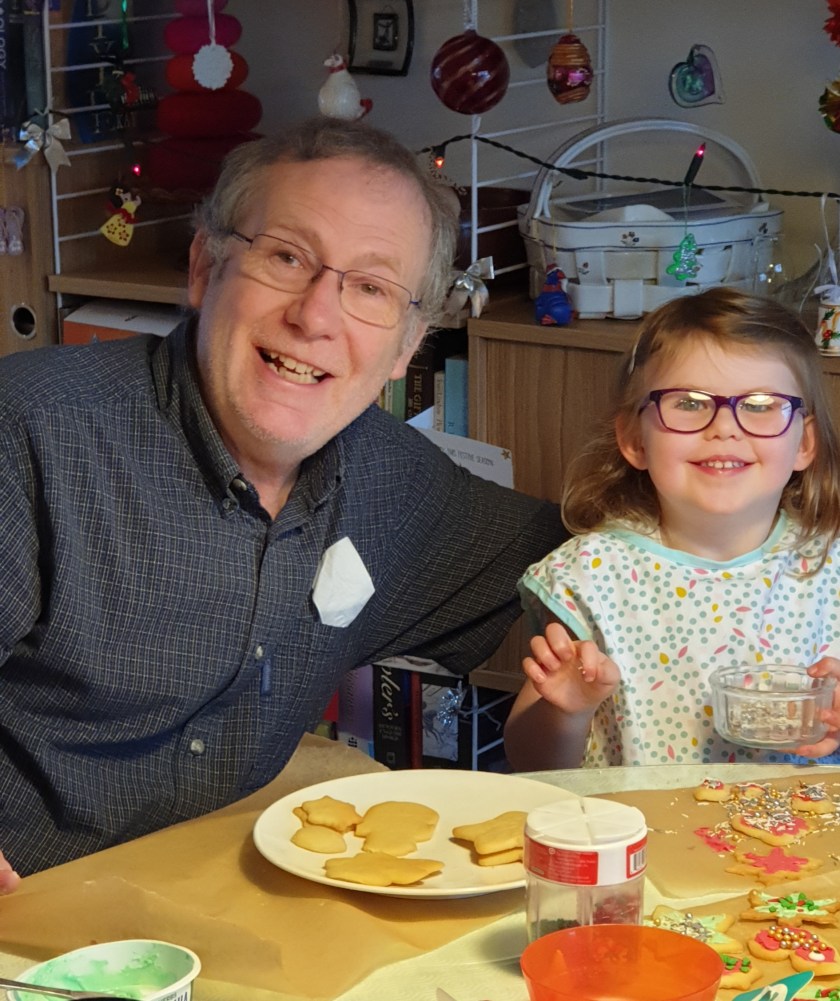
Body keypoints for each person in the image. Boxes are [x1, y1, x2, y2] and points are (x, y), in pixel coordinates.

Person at [0, 116, 564, 885]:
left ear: (406, 348)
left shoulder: (396, 484)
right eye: (286, 257)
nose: (315, 316)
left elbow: (597, 553)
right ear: (205, 268)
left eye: (370, 287)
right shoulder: (31, 434)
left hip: (220, 905)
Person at [504, 287, 840, 772]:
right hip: (635, 821)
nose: (725, 427)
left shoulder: (831, 570)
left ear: (804, 442)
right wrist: (566, 710)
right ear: (634, 439)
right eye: (689, 402)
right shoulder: (591, 576)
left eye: (761, 404)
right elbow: (531, 765)